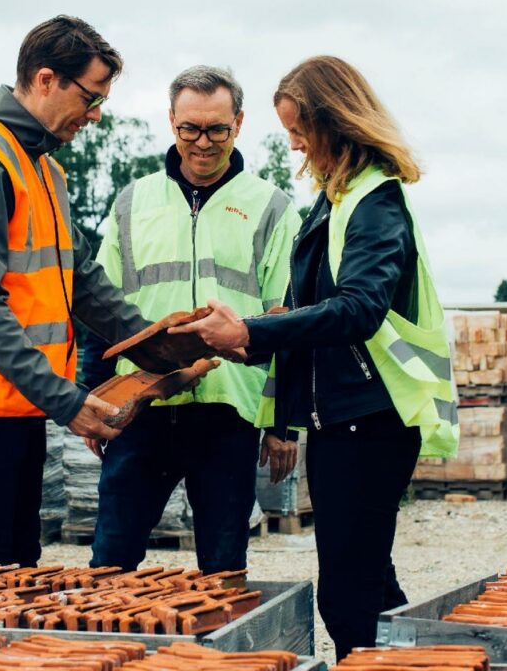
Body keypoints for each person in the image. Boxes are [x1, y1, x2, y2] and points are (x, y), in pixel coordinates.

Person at [172, 56, 459, 659]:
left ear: (335, 120)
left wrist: (252, 331)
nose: (295, 143)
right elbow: (312, 310)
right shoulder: (337, 199)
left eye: (299, 129)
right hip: (346, 420)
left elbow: (358, 309)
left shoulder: (375, 201)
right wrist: (255, 338)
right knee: (372, 585)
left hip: (373, 418)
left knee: (348, 599)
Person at [0, 15, 186, 571]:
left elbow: (80, 278)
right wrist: (68, 401)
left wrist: (159, 345)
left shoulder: (41, 168)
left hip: (16, 403)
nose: (96, 114)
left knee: (16, 566)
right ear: (44, 79)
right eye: (89, 96)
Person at [79, 65, 302, 574]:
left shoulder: (272, 207)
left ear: (239, 124)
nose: (202, 143)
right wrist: (94, 394)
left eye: (217, 129)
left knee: (223, 568)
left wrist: (282, 423)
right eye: (190, 129)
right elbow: (99, 306)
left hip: (228, 412)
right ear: (171, 121)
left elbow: (288, 320)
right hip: (140, 408)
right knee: (111, 562)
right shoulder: (132, 203)